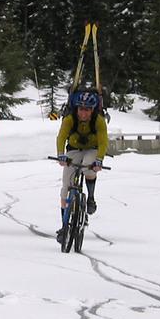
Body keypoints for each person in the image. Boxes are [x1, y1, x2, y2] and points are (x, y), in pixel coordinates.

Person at [55, 90, 108, 240]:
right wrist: (61, 154)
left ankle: (90, 197)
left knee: (88, 167)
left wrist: (99, 159)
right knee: (66, 187)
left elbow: (103, 141)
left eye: (87, 110)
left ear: (92, 110)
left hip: (92, 149)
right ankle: (64, 226)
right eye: (80, 109)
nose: (83, 113)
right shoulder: (70, 119)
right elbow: (61, 137)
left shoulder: (98, 121)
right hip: (73, 149)